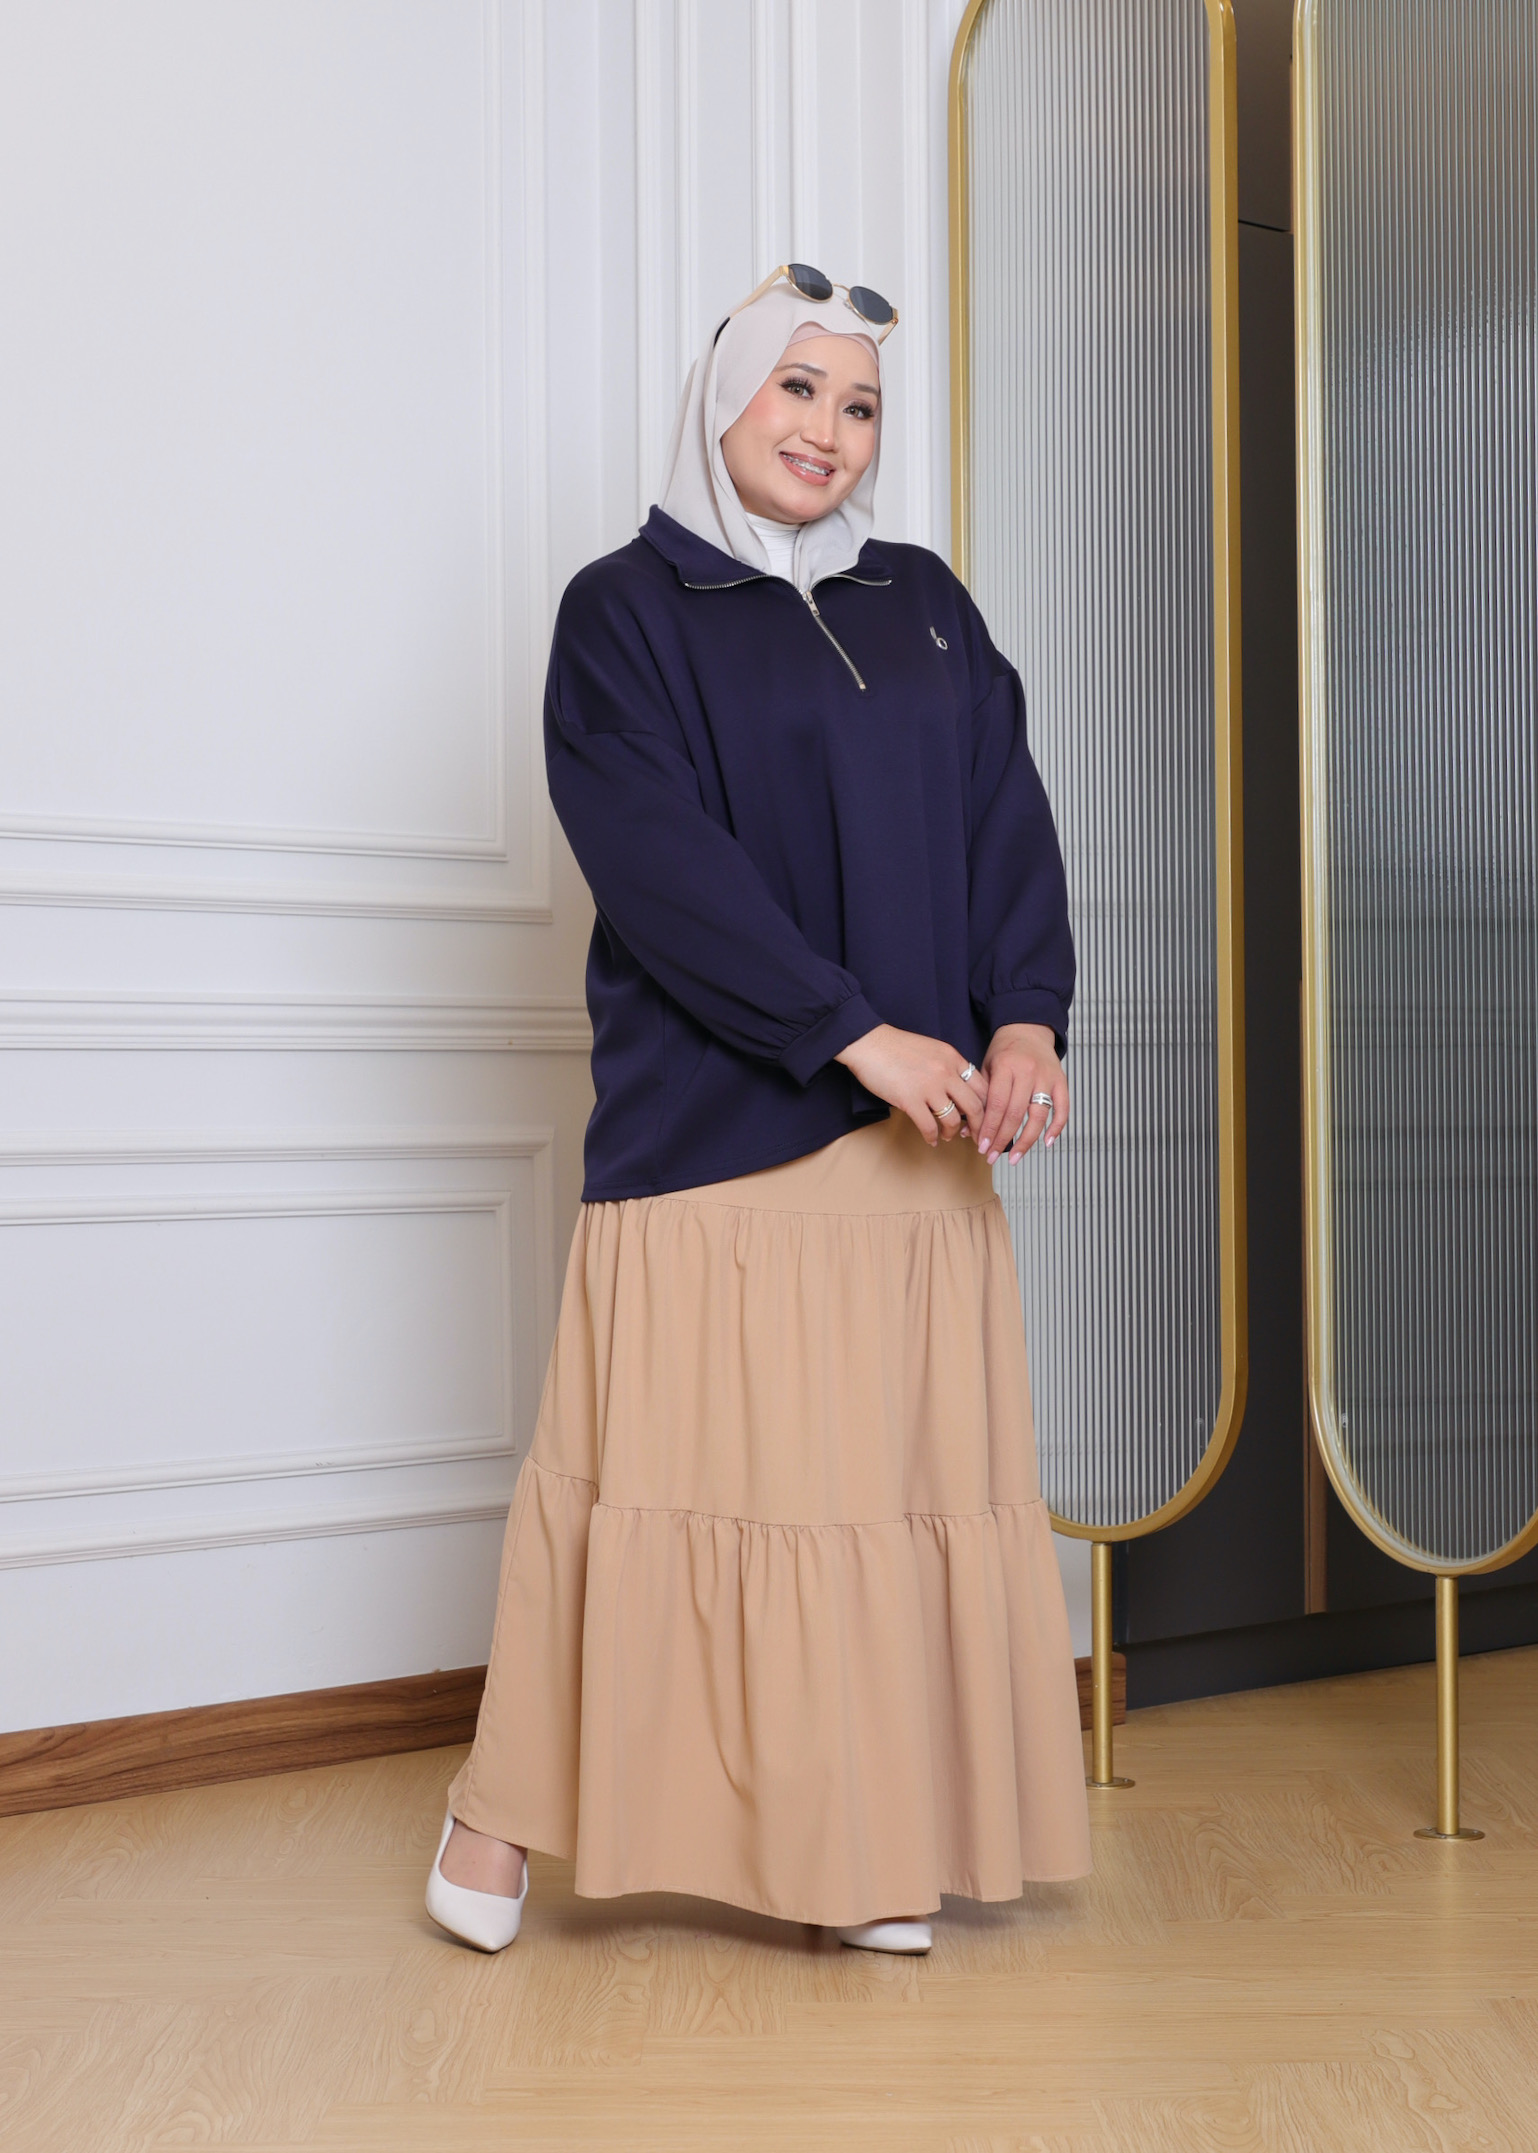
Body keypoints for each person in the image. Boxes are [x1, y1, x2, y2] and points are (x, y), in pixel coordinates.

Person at [425, 264, 1091, 1957]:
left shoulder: (922, 601)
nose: (828, 429)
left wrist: (1024, 1015)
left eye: (858, 404)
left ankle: (859, 1843)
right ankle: (497, 1813)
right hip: (718, 1134)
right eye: (797, 388)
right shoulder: (625, 609)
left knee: (874, 1508)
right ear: (724, 396)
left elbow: (1003, 819)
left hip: (924, 1143)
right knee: (653, 1492)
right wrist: (851, 1033)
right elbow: (660, 868)